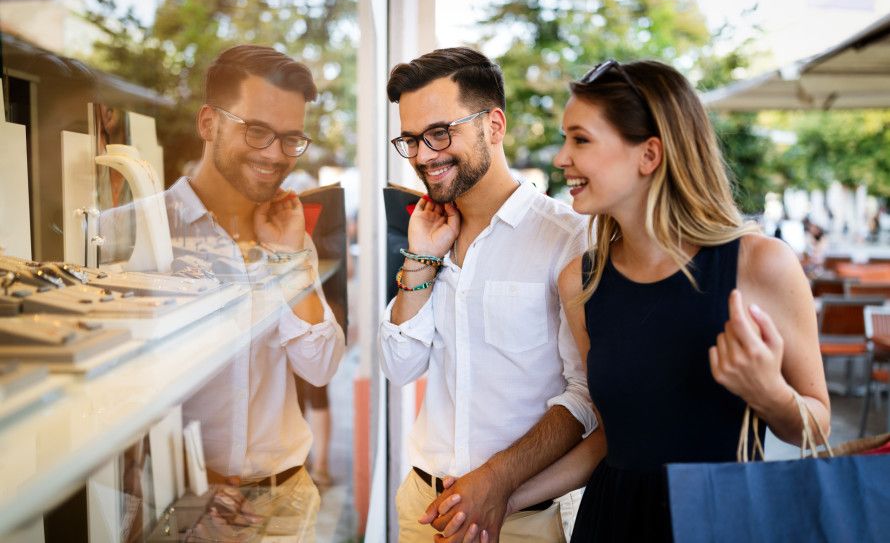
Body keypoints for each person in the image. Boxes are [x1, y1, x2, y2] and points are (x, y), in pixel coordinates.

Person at [439, 59, 831, 542]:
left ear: (649, 154)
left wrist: (770, 393)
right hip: (612, 522)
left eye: (580, 139)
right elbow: (610, 437)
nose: (562, 158)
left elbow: (816, 425)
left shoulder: (760, 264)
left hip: (721, 521)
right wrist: (505, 499)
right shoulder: (580, 282)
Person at [101, 45, 346, 536]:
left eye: (290, 138)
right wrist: (182, 478)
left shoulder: (286, 229)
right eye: (257, 131)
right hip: (179, 506)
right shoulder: (127, 233)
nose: (275, 154)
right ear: (208, 123)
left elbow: (320, 366)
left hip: (286, 502)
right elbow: (105, 397)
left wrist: (289, 259)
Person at [378, 47, 596, 542]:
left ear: (494, 126)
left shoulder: (568, 238)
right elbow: (399, 367)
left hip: (519, 518)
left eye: (439, 133)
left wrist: (498, 480)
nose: (423, 155)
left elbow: (586, 396)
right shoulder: (427, 230)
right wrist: (421, 259)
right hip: (421, 506)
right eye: (411, 139)